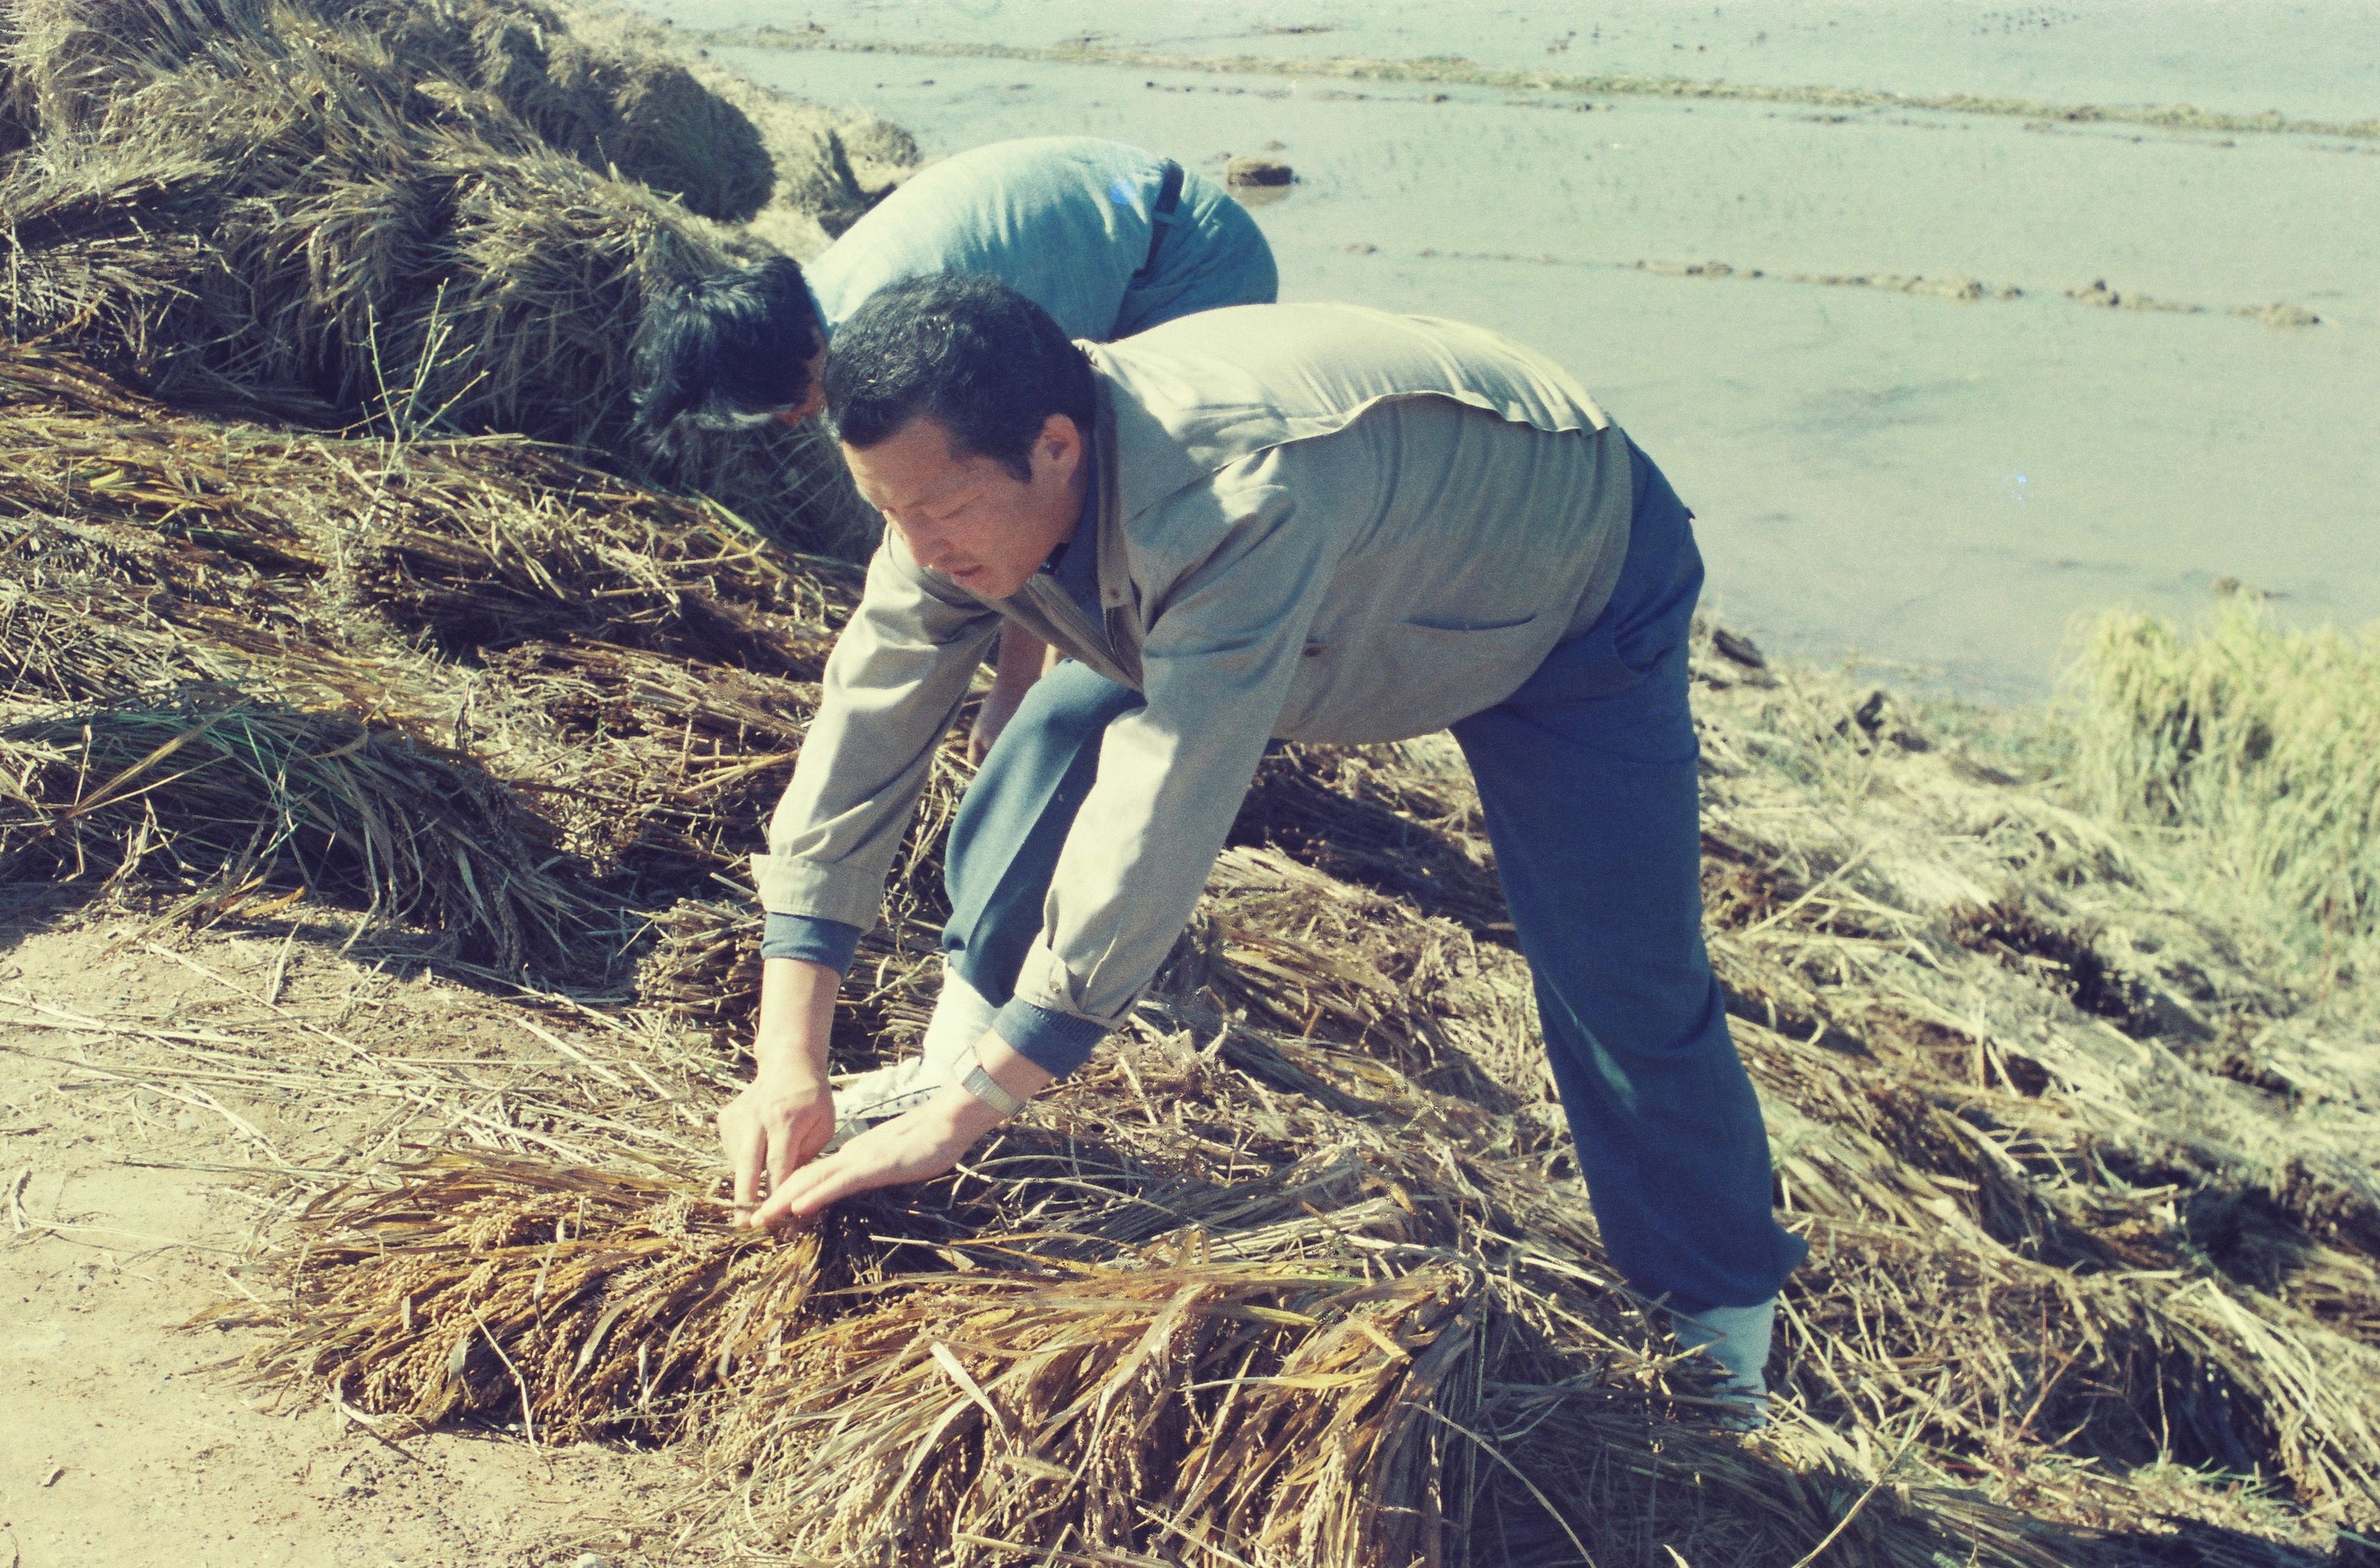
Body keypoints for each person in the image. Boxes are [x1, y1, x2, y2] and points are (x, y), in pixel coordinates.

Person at [714, 275, 1808, 1415]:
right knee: (1048, 743)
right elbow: (862, 731)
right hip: (1354, 549)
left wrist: (968, 1117)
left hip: (1558, 577)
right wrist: (787, 1058)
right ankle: (960, 1039)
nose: (916, 546)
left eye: (935, 511)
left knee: (1620, 974)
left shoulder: (1231, 501)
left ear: (1052, 446)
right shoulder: (953, 489)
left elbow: (1162, 811)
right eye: (885, 511)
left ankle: (1719, 1325)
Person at [636, 134, 1277, 787]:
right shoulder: (827, 298)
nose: (793, 420)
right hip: (1129, 204)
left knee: (1129, 500)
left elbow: (1025, 505)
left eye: (785, 404)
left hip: (1185, 253)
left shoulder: (894, 336)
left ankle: (1180, 716)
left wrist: (1013, 690)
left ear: (796, 357)